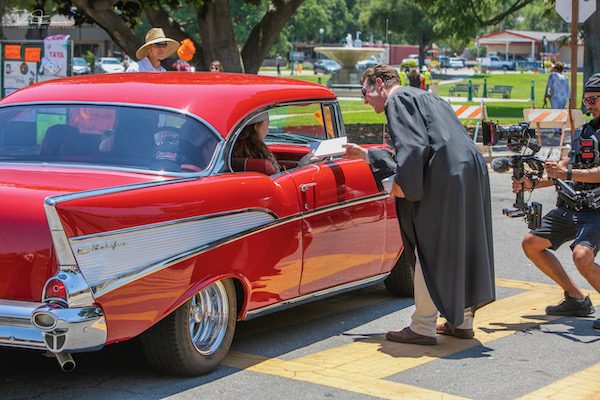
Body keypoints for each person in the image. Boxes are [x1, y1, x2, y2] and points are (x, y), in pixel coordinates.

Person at [360, 64, 495, 345]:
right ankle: (462, 321)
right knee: (461, 245)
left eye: (365, 92)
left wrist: (403, 186)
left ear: (380, 84)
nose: (365, 100)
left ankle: (422, 325)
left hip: (444, 174)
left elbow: (413, 147)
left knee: (428, 248)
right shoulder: (426, 96)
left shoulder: (396, 99)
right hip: (469, 168)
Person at [516, 74, 600, 330]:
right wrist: (533, 182)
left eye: (593, 99)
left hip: (597, 211)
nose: (589, 106)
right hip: (571, 207)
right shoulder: (585, 131)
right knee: (532, 244)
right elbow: (565, 165)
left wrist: (568, 174)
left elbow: (573, 172)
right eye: (586, 101)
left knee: (582, 256)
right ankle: (576, 299)